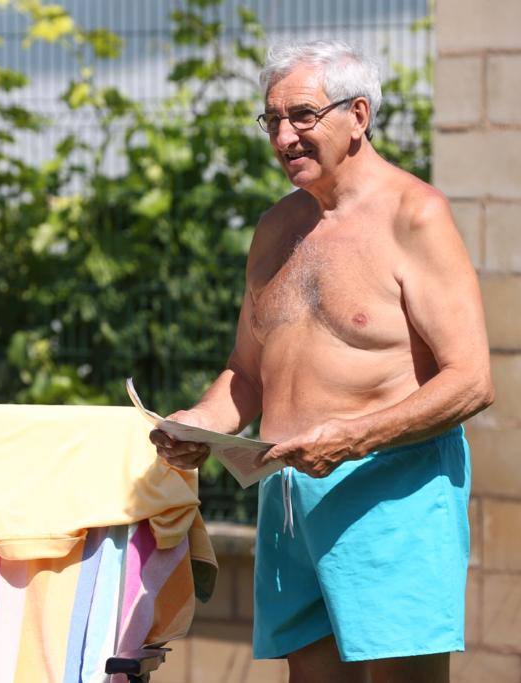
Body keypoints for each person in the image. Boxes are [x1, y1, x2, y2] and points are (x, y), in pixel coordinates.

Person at [149, 40, 493, 683]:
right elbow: (246, 374)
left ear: (358, 115)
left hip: (390, 492)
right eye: (272, 120)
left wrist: (353, 438)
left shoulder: (415, 215)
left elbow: (471, 381)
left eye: (302, 116)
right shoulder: (275, 227)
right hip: (286, 498)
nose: (284, 136)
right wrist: (200, 422)